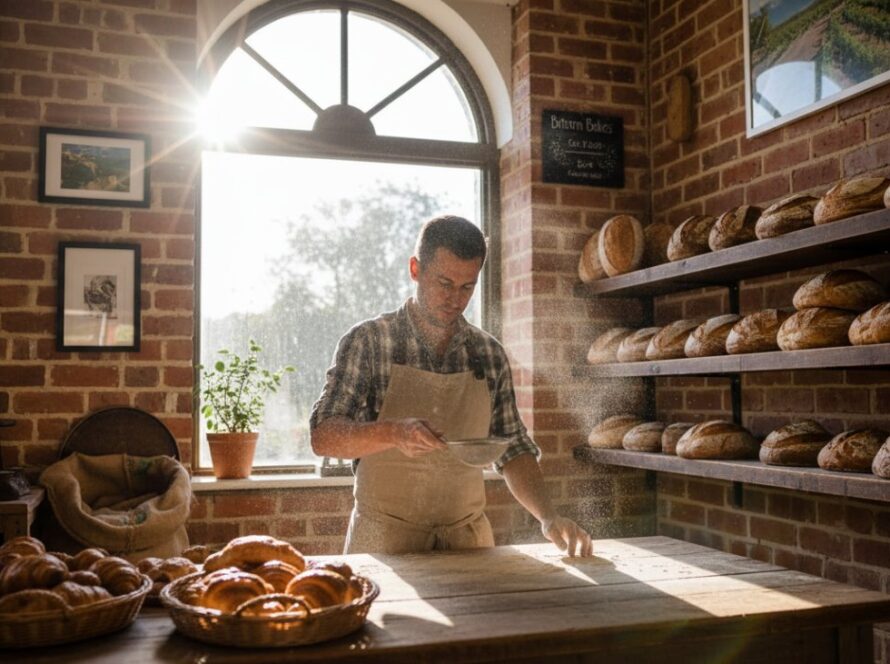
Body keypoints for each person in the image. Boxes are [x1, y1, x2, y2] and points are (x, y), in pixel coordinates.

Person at [310, 215, 592, 557]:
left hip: (466, 542)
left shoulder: (488, 354)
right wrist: (393, 433)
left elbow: (513, 447)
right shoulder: (370, 341)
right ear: (415, 269)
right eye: (444, 283)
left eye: (466, 287)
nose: (454, 299)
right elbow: (323, 435)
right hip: (383, 543)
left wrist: (547, 517)